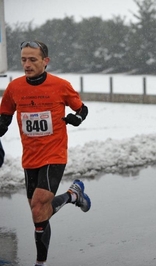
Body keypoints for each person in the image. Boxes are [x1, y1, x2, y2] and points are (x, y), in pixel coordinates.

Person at [0, 41, 91, 266]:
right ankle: (73, 195)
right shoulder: (15, 87)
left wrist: (76, 118)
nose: (27, 64)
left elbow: (81, 109)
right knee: (38, 214)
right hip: (30, 156)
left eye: (32, 59)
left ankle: (41, 263)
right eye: (23, 59)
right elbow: (4, 117)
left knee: (39, 205)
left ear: (45, 61)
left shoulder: (60, 86)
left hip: (54, 153)